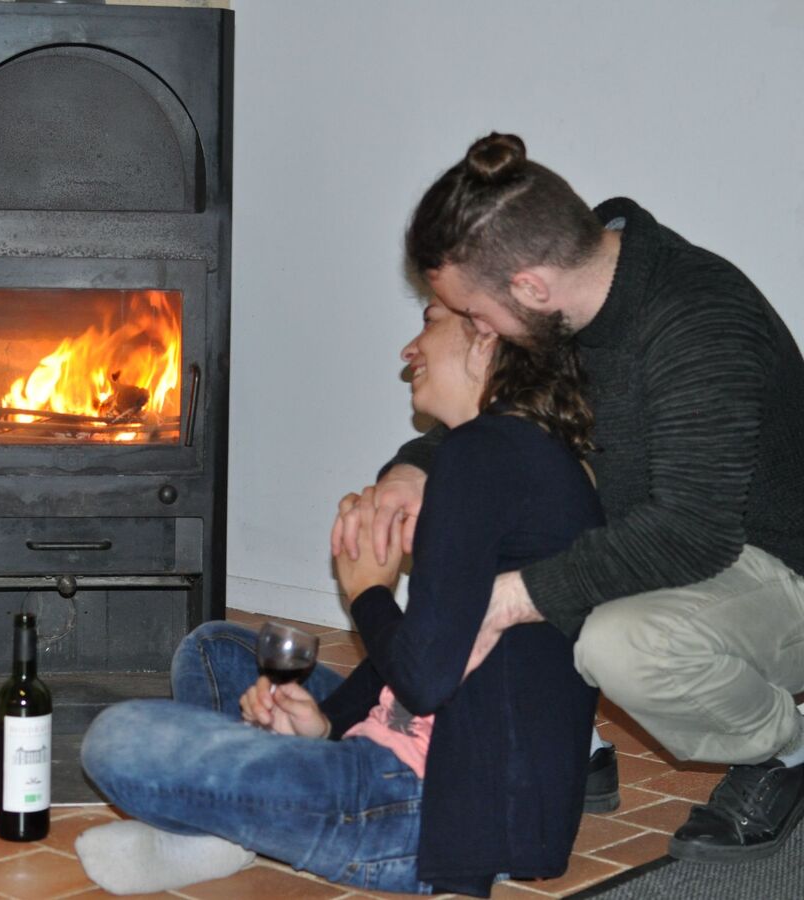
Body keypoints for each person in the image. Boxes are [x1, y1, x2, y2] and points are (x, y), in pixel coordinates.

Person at [334, 132, 804, 863]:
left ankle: (786, 748)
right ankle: (571, 742)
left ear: (529, 287)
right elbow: (507, 414)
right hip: (663, 548)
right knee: (492, 522)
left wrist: (510, 599)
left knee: (623, 644)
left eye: (474, 314)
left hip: (770, 566)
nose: (475, 333)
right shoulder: (563, 300)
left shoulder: (699, 321)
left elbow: (691, 535)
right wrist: (413, 469)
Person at [74, 296, 605, 897]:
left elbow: (425, 678)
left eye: (430, 321)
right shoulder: (514, 453)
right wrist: (324, 725)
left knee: (119, 738)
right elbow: (440, 650)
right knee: (214, 649)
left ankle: (225, 831)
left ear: (485, 333)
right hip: (436, 758)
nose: (409, 351)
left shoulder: (482, 452)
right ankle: (234, 830)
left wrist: (368, 592)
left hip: (430, 814)